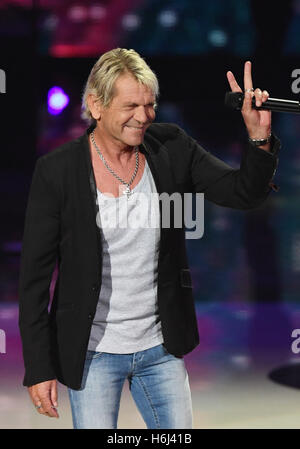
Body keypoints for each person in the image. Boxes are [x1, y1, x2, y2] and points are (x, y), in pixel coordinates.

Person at [18, 48, 280, 429]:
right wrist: (39, 367)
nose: (143, 117)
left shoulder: (170, 146)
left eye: (149, 104)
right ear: (96, 105)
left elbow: (241, 192)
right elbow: (34, 282)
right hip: (93, 353)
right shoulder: (57, 172)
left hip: (161, 349)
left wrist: (259, 139)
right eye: (130, 106)